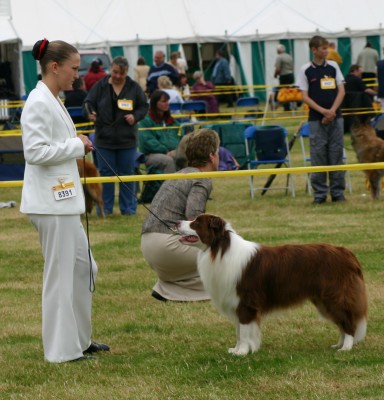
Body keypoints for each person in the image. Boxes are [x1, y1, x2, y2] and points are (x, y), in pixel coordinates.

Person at [20, 38, 109, 363]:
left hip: (64, 201)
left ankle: (80, 341)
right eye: (73, 68)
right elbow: (34, 152)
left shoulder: (52, 99)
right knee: (60, 275)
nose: (78, 74)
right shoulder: (38, 102)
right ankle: (61, 350)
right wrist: (75, 146)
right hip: (49, 204)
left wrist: (74, 143)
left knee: (86, 269)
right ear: (54, 67)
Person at [141, 128, 220, 302]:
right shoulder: (202, 178)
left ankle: (167, 290)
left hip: (148, 245)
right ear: (212, 156)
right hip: (167, 247)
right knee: (227, 246)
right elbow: (195, 219)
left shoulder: (178, 174)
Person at [83, 56, 148, 216]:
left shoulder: (133, 87)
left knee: (127, 174)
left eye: (122, 73)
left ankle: (128, 209)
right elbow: (87, 102)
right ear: (110, 69)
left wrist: (135, 116)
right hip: (104, 140)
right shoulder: (101, 86)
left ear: (127, 72)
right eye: (115, 72)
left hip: (127, 140)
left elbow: (144, 106)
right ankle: (105, 208)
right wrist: (90, 113)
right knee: (106, 175)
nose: (118, 76)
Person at [297, 35, 346, 204]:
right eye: (323, 48)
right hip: (316, 120)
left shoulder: (333, 67)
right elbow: (304, 96)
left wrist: (332, 111)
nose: (326, 51)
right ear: (314, 50)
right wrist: (323, 112)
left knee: (336, 155)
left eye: (327, 48)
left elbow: (341, 91)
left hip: (336, 118)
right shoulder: (305, 70)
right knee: (318, 157)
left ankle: (338, 193)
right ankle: (320, 195)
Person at [138, 90, 180, 174]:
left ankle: (186, 185)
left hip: (173, 152)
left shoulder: (173, 122)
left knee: (188, 158)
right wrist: (165, 151)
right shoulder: (145, 121)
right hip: (150, 155)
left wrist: (177, 151)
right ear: (155, 103)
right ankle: (170, 187)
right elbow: (147, 141)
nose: (167, 103)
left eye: (167, 101)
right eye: (164, 101)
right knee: (169, 161)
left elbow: (180, 138)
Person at [274, 44, 295, 111]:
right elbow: (292, 67)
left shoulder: (279, 57)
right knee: (288, 91)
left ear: (278, 50)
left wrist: (275, 75)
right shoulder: (289, 56)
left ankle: (277, 102)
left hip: (284, 76)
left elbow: (278, 69)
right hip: (291, 75)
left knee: (282, 91)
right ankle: (287, 106)